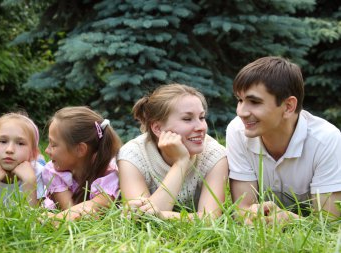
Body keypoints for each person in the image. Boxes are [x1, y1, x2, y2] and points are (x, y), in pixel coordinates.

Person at [227, 56, 341, 224]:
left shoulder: (327, 140)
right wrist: (252, 215)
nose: (241, 112)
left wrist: (289, 219)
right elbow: (242, 209)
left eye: (254, 102)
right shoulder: (238, 131)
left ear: (288, 106)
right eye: (240, 100)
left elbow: (328, 221)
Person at [118, 83, 229, 220]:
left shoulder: (215, 155)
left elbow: (210, 219)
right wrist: (181, 162)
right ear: (158, 128)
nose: (201, 127)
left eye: (201, 117)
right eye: (187, 119)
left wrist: (163, 216)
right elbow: (141, 220)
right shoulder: (132, 155)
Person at [42, 106, 122, 221]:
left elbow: (94, 207)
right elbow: (69, 210)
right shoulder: (54, 173)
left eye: (53, 144)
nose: (47, 150)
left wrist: (54, 220)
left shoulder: (110, 176)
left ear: (80, 149)